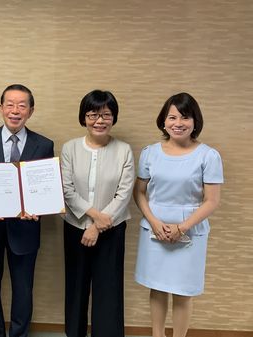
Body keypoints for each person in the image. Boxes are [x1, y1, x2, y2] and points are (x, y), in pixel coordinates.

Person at [134, 93, 223, 337]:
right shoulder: (150, 152)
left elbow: (212, 200)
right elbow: (140, 193)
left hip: (191, 230)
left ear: (195, 121)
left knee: (183, 290)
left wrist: (182, 227)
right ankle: (157, 334)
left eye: (185, 117)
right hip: (154, 228)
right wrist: (153, 222)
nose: (178, 123)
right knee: (158, 287)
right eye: (172, 117)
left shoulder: (208, 155)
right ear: (163, 121)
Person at [0, 84, 54, 337]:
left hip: (25, 229)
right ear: (1, 108)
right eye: (10, 104)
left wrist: (40, 208)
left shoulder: (44, 145)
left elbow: (45, 185)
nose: (15, 110)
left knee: (23, 290)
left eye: (22, 105)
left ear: (31, 110)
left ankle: (19, 334)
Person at [60, 90, 135, 337]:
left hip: (111, 230)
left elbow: (124, 194)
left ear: (114, 118)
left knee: (108, 290)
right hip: (75, 227)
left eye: (106, 114)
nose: (99, 120)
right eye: (93, 114)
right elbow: (67, 189)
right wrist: (93, 216)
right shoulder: (70, 148)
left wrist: (98, 225)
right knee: (76, 287)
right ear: (84, 117)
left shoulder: (124, 150)